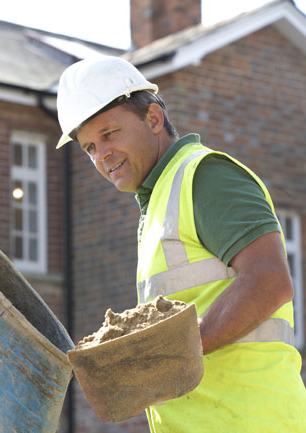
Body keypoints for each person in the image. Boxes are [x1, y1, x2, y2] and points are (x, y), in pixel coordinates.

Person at [56, 55, 306, 432]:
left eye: (109, 134)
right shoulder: (158, 203)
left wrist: (164, 355)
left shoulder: (205, 175)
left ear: (153, 119)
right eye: (89, 147)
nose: (101, 155)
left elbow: (270, 280)